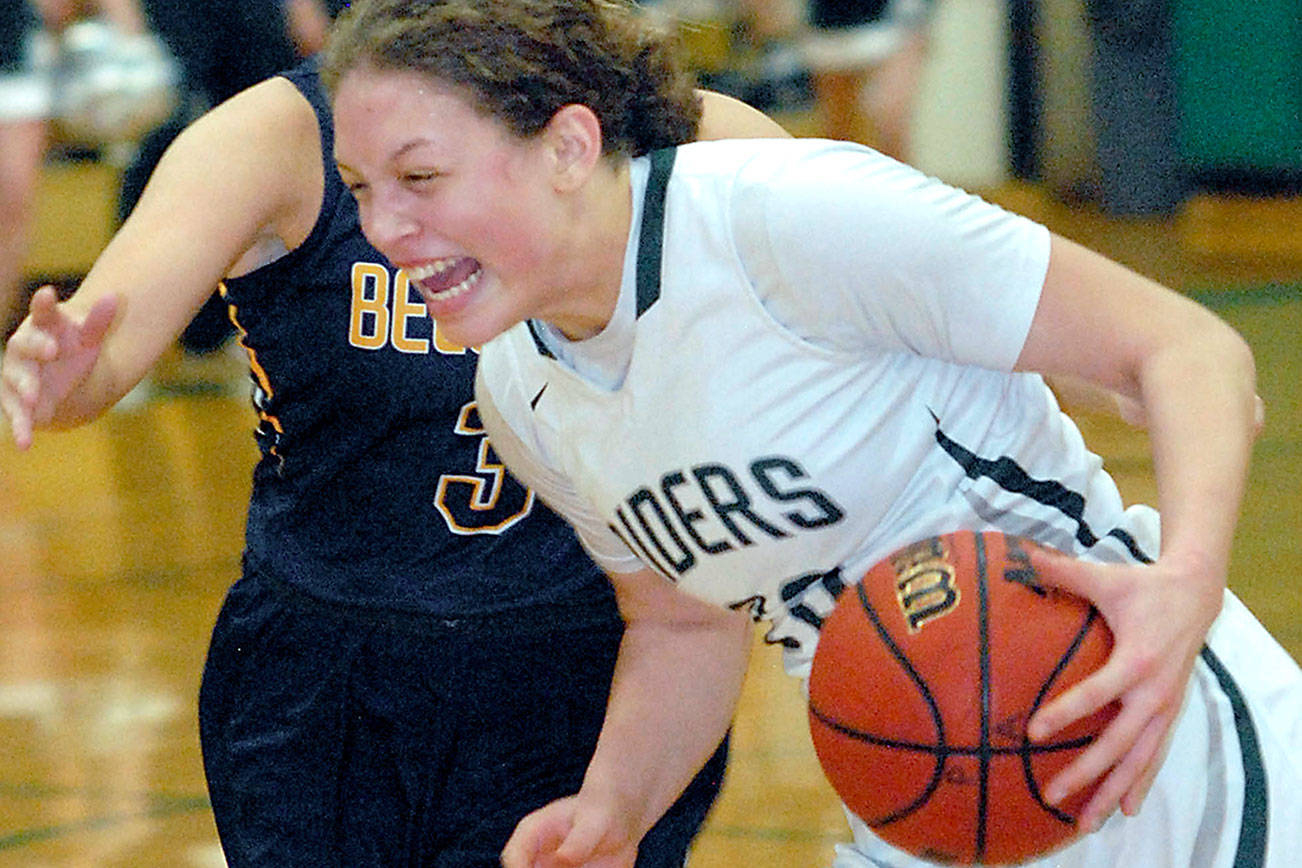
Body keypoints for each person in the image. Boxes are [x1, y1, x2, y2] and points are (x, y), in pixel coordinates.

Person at [317, 0, 1302, 866]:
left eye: (420, 176)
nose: (381, 226)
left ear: (570, 146)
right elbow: (680, 621)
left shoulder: (784, 222)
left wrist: (1187, 582)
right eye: (361, 187)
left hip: (1146, 729)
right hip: (921, 798)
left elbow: (1188, 351)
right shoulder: (519, 393)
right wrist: (616, 806)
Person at [0, 33, 796, 868]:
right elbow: (103, 349)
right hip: (325, 673)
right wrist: (59, 378)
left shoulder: (694, 140)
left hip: (606, 660)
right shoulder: (279, 132)